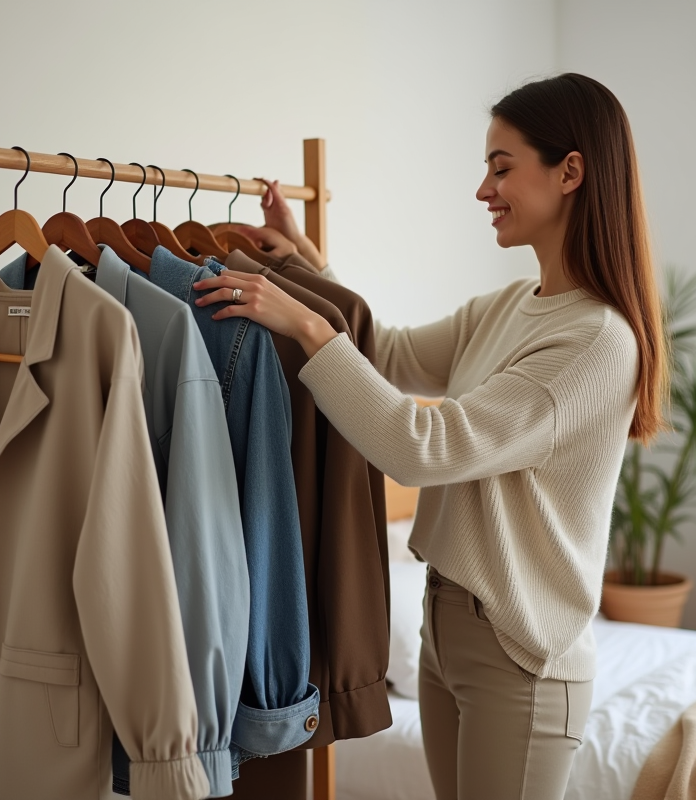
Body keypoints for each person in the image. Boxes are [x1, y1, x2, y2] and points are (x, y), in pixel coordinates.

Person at [193, 73, 666, 800]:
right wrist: (307, 268)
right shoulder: (511, 306)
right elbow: (389, 354)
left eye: (501, 167)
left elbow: (424, 446)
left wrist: (308, 324)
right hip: (446, 630)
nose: (484, 190)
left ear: (570, 171)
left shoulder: (595, 341)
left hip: (520, 656)